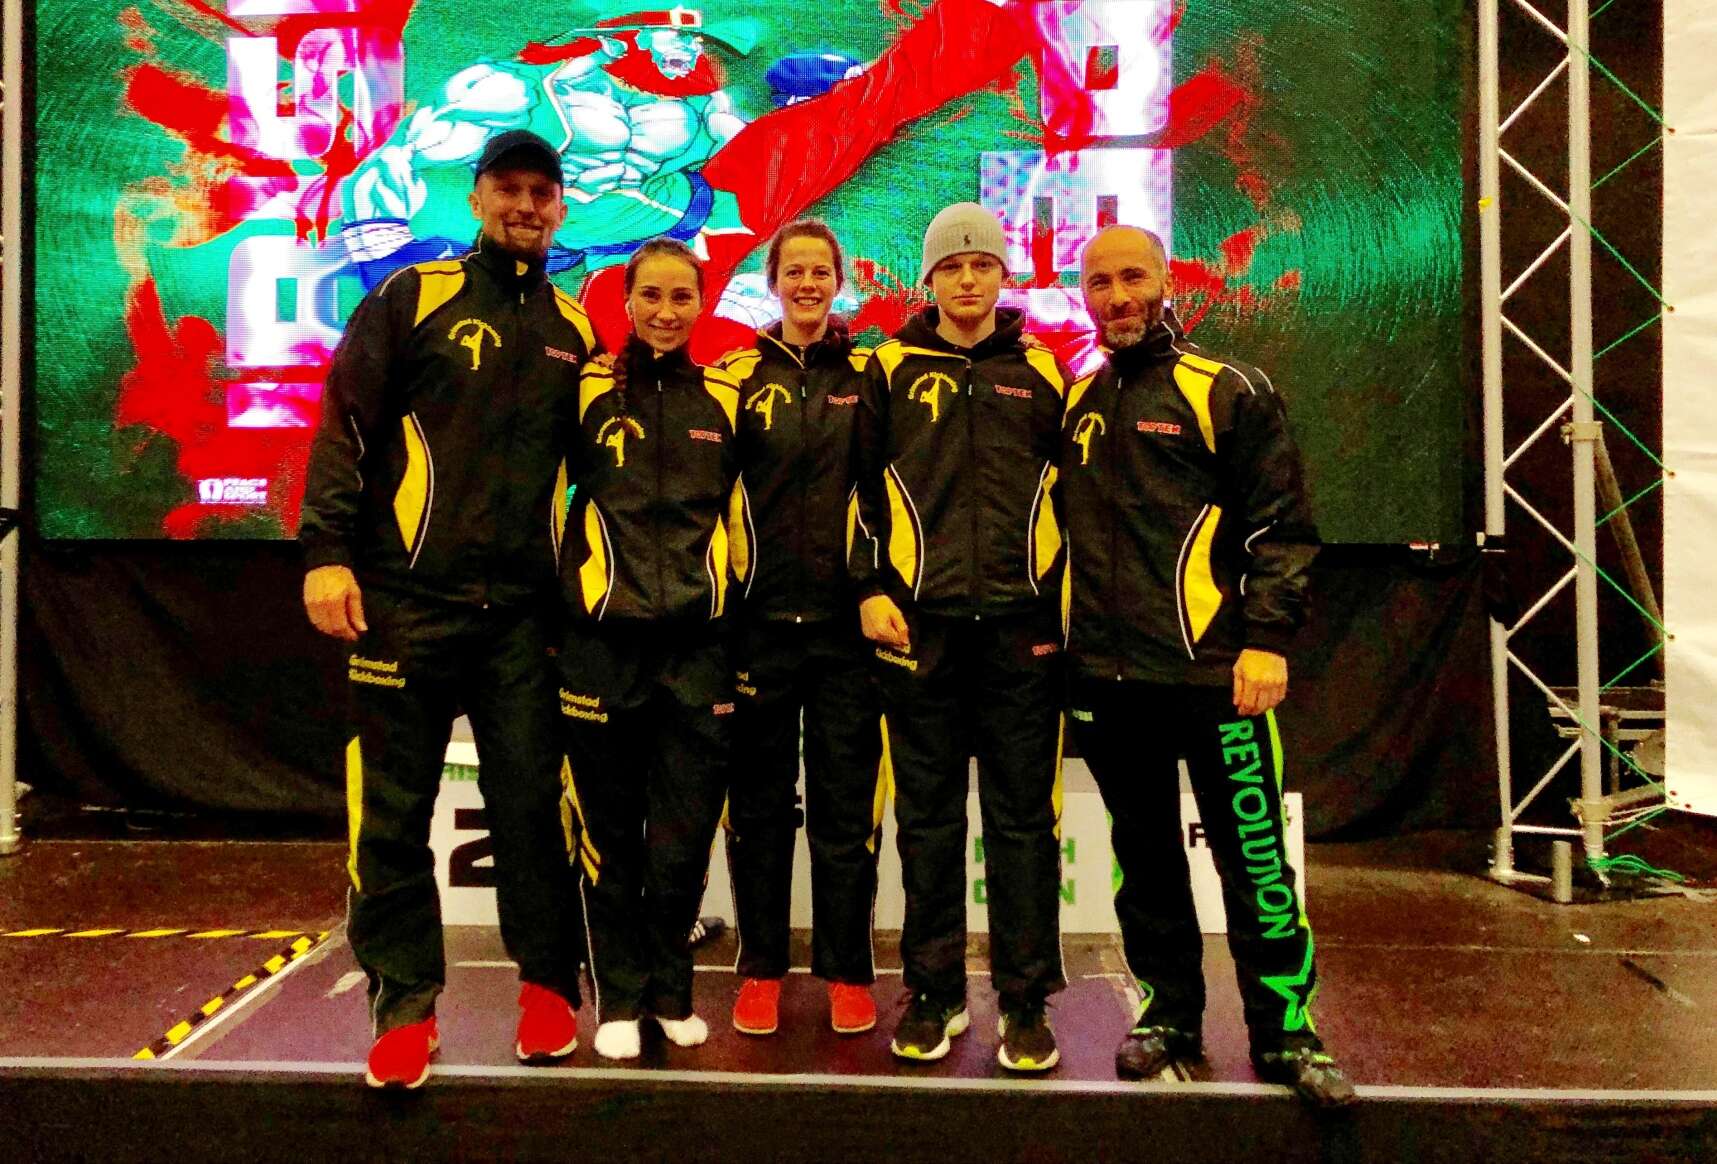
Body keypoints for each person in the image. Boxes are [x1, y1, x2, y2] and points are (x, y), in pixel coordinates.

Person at [300, 129, 597, 1089]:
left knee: (531, 811)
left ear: (560, 207)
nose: (524, 207)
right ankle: (405, 1008)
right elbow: (344, 423)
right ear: (476, 198)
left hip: (520, 620)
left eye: (540, 193)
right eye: (507, 189)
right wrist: (326, 557)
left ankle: (546, 989)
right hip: (403, 604)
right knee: (391, 817)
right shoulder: (411, 295)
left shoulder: (575, 328)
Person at [1060, 224, 1354, 1109]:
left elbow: (1283, 528)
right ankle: (1168, 1017)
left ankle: (1287, 1031)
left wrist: (1265, 640)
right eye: (1100, 282)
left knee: (1254, 863)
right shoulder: (1077, 398)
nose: (1118, 296)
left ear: (1165, 281)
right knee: (1144, 862)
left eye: (1133, 277)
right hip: (1109, 682)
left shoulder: (1226, 389)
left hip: (1219, 678)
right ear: (1083, 294)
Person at [850, 203, 1069, 1071]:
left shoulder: (1044, 370)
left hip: (1021, 633)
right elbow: (856, 487)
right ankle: (934, 991)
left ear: (1002, 276)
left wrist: (1056, 602)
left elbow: (1075, 497)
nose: (967, 278)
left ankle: (1024, 1001)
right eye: (951, 266)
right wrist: (869, 586)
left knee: (1022, 823)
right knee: (928, 822)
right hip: (921, 630)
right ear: (930, 279)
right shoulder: (889, 367)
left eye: (981, 264)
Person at [557, 236, 746, 1060]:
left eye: (681, 296)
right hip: (601, 648)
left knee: (681, 839)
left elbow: (747, 521)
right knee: (609, 837)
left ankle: (671, 992)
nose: (666, 311)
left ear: (701, 304)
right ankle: (619, 997)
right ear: (627, 302)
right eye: (652, 296)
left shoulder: (725, 397)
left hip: (697, 652)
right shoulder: (585, 388)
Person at [716, 220, 884, 1038]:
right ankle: (760, 969)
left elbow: (889, 493)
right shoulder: (735, 377)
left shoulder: (871, 375)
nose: (808, 284)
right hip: (757, 630)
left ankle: (847, 971)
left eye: (821, 271)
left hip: (847, 633)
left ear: (837, 280)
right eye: (795, 271)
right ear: (773, 280)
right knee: (757, 811)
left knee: (843, 811)